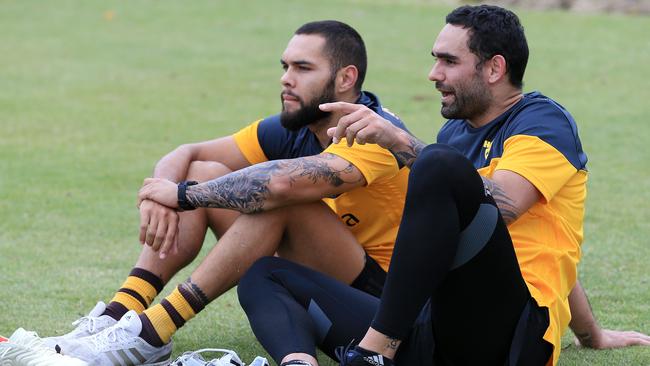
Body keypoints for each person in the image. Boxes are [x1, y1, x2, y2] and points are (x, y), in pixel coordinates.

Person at [236, 5, 650, 366]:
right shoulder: (454, 135)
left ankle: (372, 354)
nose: (434, 74)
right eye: (436, 60)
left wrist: (404, 145)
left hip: (509, 339)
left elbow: (506, 210)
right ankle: (300, 361)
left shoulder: (543, 123)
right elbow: (555, 243)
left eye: (449, 61)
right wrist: (591, 332)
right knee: (264, 274)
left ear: (494, 68)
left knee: (436, 163)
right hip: (433, 329)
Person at [50, 20, 410, 366]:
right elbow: (187, 153)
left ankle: (151, 331)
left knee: (279, 200)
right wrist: (157, 196)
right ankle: (123, 309)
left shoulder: (374, 133)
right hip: (317, 268)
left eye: (302, 68)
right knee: (202, 172)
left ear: (346, 78)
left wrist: (183, 195)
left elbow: (280, 185)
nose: (286, 78)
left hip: (379, 301)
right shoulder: (299, 126)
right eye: (285, 66)